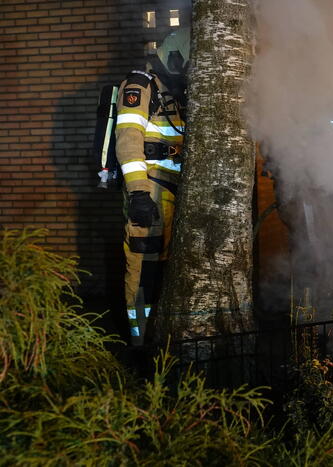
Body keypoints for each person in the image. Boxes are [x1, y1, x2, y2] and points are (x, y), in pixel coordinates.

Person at [115, 28, 189, 345]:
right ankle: (140, 342)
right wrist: (139, 194)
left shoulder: (178, 93)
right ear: (174, 58)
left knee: (169, 269)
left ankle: (163, 338)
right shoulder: (141, 86)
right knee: (143, 269)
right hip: (149, 193)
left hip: (176, 193)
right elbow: (128, 141)